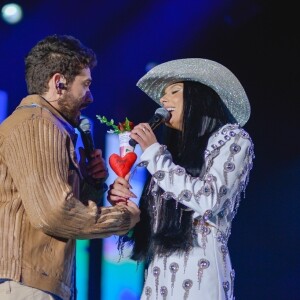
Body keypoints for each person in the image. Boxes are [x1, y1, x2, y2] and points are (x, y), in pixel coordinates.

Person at [0, 34, 140, 300]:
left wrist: (91, 182)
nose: (90, 96)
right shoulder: (38, 124)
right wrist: (122, 218)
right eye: (85, 85)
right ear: (58, 82)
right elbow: (55, 214)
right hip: (25, 285)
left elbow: (51, 212)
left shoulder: (44, 126)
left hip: (33, 282)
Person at [108, 58, 254, 299]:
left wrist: (155, 155)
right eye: (162, 96)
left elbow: (209, 200)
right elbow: (151, 224)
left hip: (200, 274)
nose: (163, 101)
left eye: (174, 91)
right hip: (158, 276)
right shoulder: (169, 157)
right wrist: (123, 203)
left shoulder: (233, 138)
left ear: (200, 96)